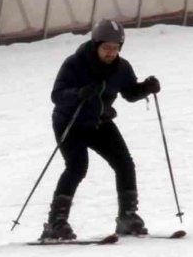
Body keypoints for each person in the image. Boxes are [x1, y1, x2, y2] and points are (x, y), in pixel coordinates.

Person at [40, 20, 161, 240]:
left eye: (115, 48)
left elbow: (130, 93)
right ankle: (55, 222)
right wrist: (79, 94)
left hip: (99, 121)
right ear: (96, 44)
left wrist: (146, 88)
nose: (110, 53)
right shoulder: (75, 63)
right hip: (70, 122)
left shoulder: (121, 68)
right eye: (106, 48)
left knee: (124, 163)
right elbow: (56, 96)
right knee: (77, 167)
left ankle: (127, 216)